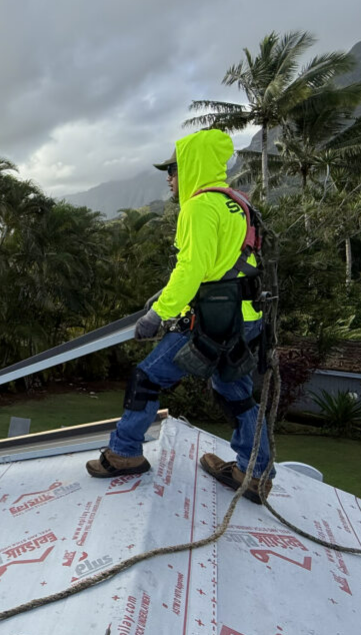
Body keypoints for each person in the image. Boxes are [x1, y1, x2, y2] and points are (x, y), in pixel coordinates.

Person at [86, 128, 273, 503]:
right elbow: (220, 265)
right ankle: (256, 472)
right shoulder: (236, 202)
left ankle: (124, 453)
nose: (170, 180)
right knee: (233, 390)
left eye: (172, 171)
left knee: (147, 377)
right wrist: (168, 291)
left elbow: (192, 268)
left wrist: (159, 313)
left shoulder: (199, 206)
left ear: (190, 166)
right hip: (245, 316)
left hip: (213, 319)